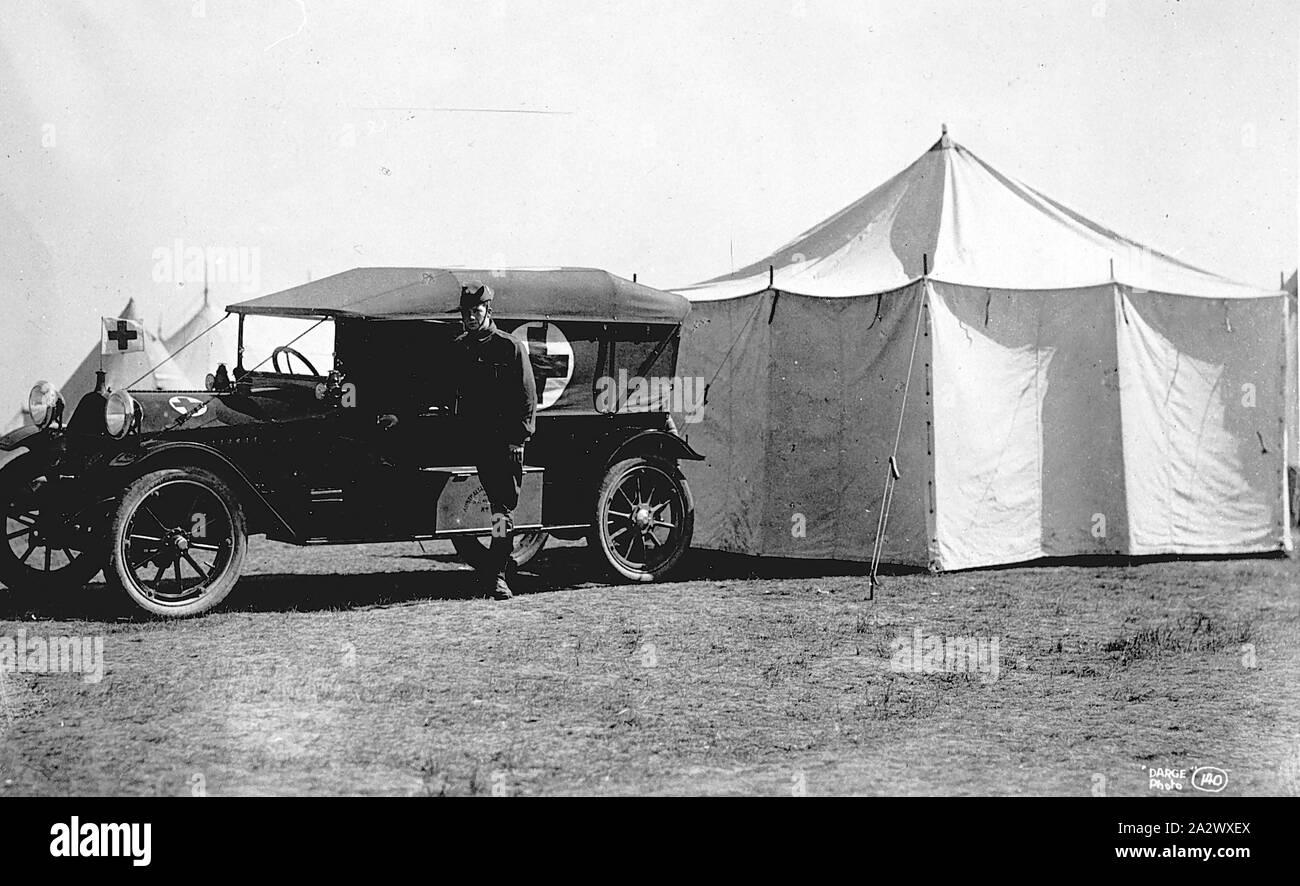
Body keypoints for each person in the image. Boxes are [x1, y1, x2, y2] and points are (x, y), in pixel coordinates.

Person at [451, 281, 537, 599]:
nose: (471, 317)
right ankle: (497, 565)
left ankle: (498, 574)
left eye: (477, 311)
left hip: (505, 444)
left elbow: (527, 397)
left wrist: (518, 440)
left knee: (501, 512)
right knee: (486, 509)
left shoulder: (509, 347)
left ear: (489, 310)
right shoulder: (460, 347)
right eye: (467, 312)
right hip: (476, 442)